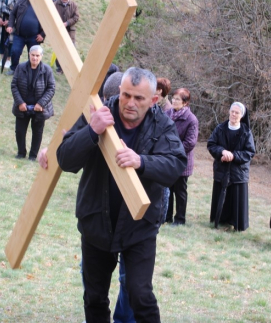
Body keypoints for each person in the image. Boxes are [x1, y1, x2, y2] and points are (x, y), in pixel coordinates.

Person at [57, 67, 187, 322]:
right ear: (119, 90)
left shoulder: (161, 124)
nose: (130, 103)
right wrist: (91, 131)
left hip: (139, 227)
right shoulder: (98, 112)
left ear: (154, 100)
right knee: (94, 297)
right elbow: (65, 159)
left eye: (139, 98)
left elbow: (176, 165)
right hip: (96, 221)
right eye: (126, 95)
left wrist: (142, 161)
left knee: (140, 295)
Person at [207, 102, 255, 231]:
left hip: (238, 171)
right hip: (222, 168)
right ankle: (220, 219)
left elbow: (249, 152)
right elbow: (211, 144)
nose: (233, 114)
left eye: (237, 112)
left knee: (236, 196)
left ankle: (237, 223)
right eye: (232, 111)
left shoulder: (246, 132)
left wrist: (233, 156)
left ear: (242, 115)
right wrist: (222, 152)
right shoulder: (220, 128)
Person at [11, 45, 55, 160]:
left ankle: (33, 155)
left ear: (41, 56)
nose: (35, 58)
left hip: (39, 108)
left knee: (37, 132)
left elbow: (51, 88)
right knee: (20, 131)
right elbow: (14, 85)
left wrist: (41, 104)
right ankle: (21, 153)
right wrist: (20, 102)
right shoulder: (20, 68)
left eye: (37, 56)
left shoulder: (47, 70)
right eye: (33, 55)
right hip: (23, 106)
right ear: (29, 55)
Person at [165, 88, 198, 225]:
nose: (174, 101)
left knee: (180, 191)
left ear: (185, 103)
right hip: (167, 158)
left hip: (181, 161)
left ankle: (180, 219)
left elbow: (190, 143)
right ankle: (166, 217)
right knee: (168, 189)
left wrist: (174, 151)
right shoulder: (166, 114)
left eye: (178, 99)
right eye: (173, 98)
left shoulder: (191, 119)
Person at [5, 0, 45, 76]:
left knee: (33, 55)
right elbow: (13, 13)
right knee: (15, 51)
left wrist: (42, 34)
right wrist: (10, 25)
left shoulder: (42, 5)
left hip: (34, 37)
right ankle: (14, 69)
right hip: (19, 35)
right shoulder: (21, 2)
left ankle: (31, 71)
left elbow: (48, 21)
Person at [53, 0, 78, 73]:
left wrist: (67, 23)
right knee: (60, 49)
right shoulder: (55, 4)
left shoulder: (73, 5)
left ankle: (71, 68)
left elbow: (76, 17)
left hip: (70, 31)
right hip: (59, 31)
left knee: (71, 49)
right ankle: (59, 68)